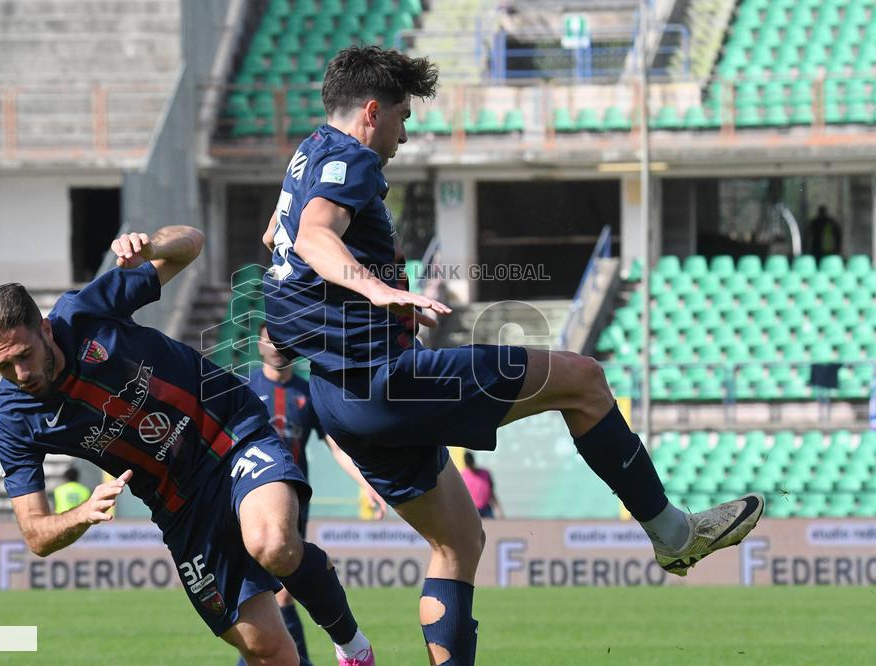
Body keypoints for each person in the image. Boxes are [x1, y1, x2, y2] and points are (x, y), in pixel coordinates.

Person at [262, 45, 764, 665]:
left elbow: (279, 237)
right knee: (583, 380)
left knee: (458, 541)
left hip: (338, 397)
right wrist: (377, 287)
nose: (405, 129)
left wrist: (355, 302)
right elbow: (312, 235)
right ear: (371, 111)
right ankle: (673, 534)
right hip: (386, 383)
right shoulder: (354, 159)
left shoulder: (307, 154)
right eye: (402, 115)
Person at [0, 226, 375, 666]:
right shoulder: (10, 416)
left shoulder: (84, 312)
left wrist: (151, 247)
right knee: (265, 650)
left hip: (228, 433)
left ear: (45, 330)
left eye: (23, 355)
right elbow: (35, 534)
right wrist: (82, 514)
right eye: (2, 366)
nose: (19, 373)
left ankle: (353, 648)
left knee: (272, 544)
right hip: (179, 506)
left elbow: (192, 244)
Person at [237, 324, 388, 666]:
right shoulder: (244, 387)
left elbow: (336, 446)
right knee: (269, 595)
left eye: (281, 339)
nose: (275, 346)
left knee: (280, 594)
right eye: (268, 339)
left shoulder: (307, 392)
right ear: (258, 346)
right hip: (248, 500)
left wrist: (367, 485)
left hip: (292, 501)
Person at [460, 453, 501, 519]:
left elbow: (491, 493)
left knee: (491, 527)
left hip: (486, 509)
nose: (471, 466)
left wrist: (498, 509)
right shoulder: (463, 476)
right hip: (472, 510)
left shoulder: (486, 473)